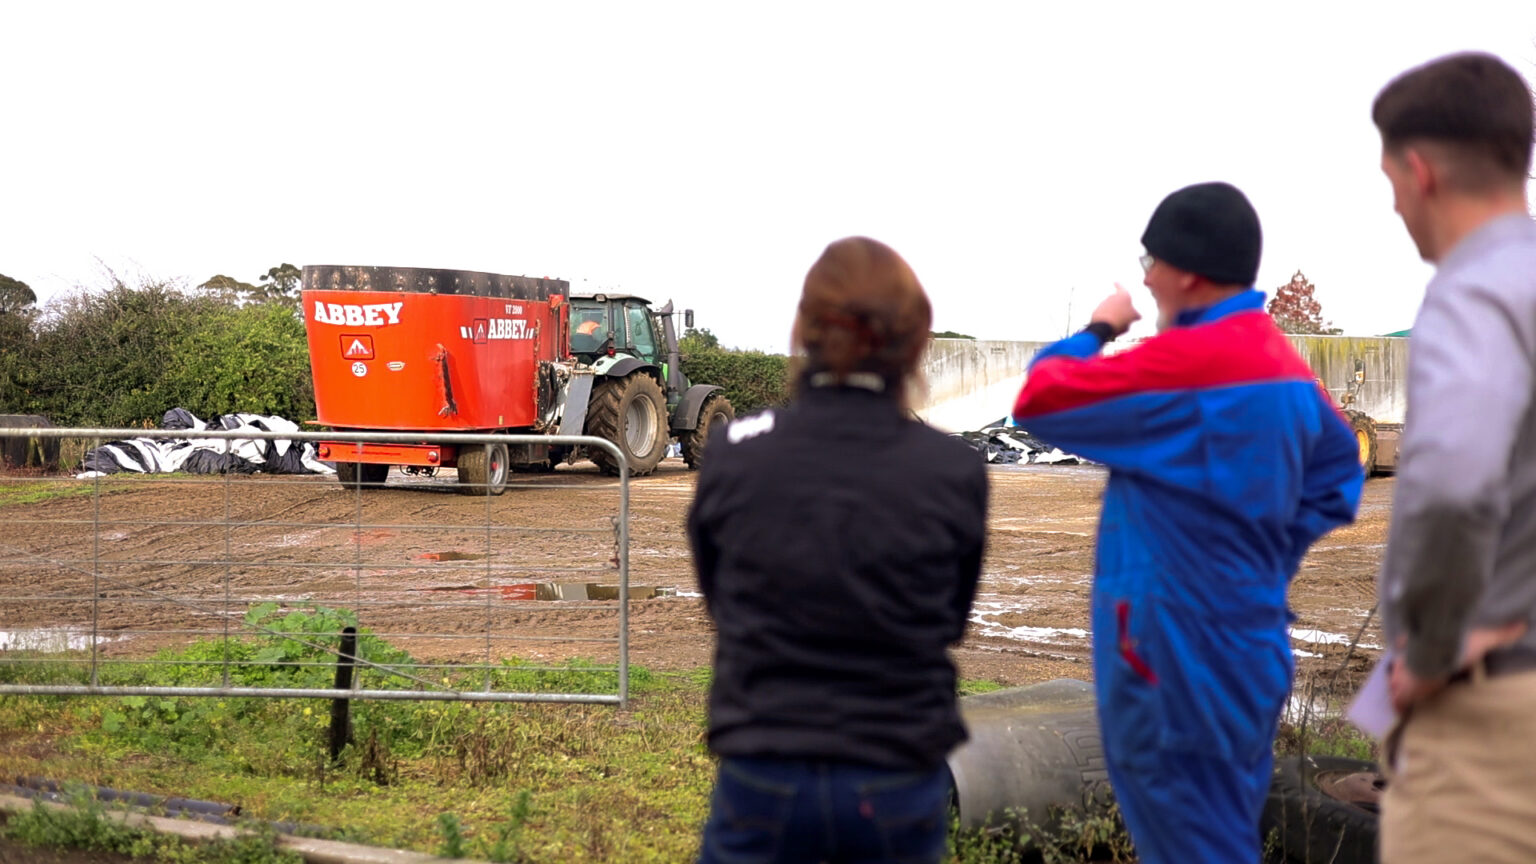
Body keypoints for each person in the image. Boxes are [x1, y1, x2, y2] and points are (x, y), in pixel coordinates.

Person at [1010, 182, 1363, 864]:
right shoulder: (1286, 371)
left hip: (1168, 660)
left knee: (1185, 842)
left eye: (1150, 259)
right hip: (1250, 649)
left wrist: (1101, 328)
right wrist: (1269, 556)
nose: (1143, 275)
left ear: (1188, 270)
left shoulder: (1183, 366)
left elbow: (1040, 396)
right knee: (1223, 830)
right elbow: (1339, 468)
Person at [687, 236, 987, 864]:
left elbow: (722, 599)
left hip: (765, 761)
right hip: (896, 768)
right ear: (915, 342)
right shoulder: (953, 468)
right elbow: (950, 619)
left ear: (803, 328)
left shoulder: (737, 449)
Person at [1370, 52, 1536, 864]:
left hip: (1493, 730)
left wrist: (1432, 652)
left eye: (1389, 178)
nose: (1393, 203)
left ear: (1420, 170)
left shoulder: (1475, 293)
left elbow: (1454, 487)